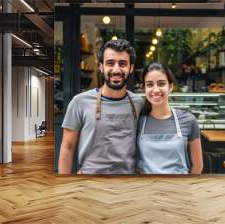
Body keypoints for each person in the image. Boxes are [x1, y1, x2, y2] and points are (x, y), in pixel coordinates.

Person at [58, 39, 143, 174]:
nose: (116, 69)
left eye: (122, 64)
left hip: (128, 183)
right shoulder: (79, 102)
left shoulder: (139, 104)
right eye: (110, 63)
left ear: (131, 68)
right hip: (89, 181)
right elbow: (67, 148)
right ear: (101, 67)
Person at [137, 62, 203, 174]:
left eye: (161, 84)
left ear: (170, 87)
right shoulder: (138, 121)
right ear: (144, 88)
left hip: (179, 189)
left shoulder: (189, 121)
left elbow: (198, 166)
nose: (156, 90)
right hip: (146, 189)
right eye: (149, 84)